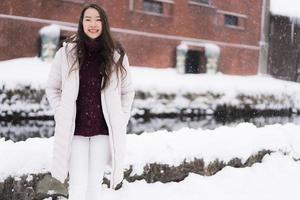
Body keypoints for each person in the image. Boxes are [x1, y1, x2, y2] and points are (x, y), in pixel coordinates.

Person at [45, 3, 135, 199]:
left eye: (97, 20)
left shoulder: (116, 55)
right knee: (76, 183)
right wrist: (61, 111)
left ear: (104, 24)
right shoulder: (66, 53)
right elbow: (52, 88)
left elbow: (128, 92)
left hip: (103, 132)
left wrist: (121, 117)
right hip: (75, 131)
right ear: (81, 23)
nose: (92, 24)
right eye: (88, 19)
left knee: (95, 184)